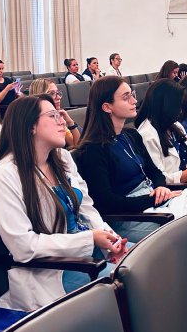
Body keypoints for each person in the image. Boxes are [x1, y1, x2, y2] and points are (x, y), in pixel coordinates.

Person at [0, 95, 127, 311]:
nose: (63, 122)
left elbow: (87, 209)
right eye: (53, 116)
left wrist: (112, 241)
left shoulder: (62, 157)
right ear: (30, 126)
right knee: (131, 281)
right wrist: (89, 239)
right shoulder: (4, 175)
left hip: (89, 252)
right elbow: (23, 246)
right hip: (53, 270)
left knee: (144, 263)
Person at [74, 76, 180, 241]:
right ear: (107, 107)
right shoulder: (93, 150)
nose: (134, 101)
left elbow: (155, 171)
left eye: (132, 95)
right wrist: (153, 200)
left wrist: (161, 188)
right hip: (129, 217)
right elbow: (107, 203)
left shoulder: (131, 135)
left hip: (151, 201)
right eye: (126, 97)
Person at [29, 78, 81, 147]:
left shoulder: (57, 116)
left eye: (57, 93)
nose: (58, 97)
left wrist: (70, 122)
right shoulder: (36, 121)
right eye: (52, 93)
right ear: (40, 96)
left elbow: (76, 145)